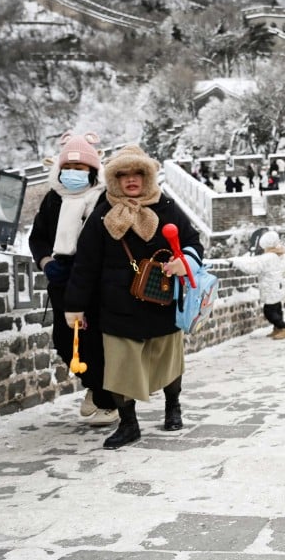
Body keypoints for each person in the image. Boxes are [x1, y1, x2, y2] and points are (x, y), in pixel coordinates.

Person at [64, 145, 204, 450]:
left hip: (161, 300)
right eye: (123, 174)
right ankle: (129, 424)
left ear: (148, 175)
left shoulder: (166, 206)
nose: (131, 180)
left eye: (137, 173)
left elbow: (193, 243)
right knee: (120, 366)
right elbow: (85, 263)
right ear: (114, 179)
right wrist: (74, 305)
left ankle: (173, 406)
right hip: (117, 306)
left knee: (169, 360)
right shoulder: (102, 214)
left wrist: (186, 261)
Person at [28, 131, 117, 426]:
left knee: (96, 340)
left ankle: (108, 401)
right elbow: (38, 237)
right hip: (61, 279)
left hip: (96, 280)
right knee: (65, 341)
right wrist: (46, 262)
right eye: (68, 168)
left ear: (92, 171)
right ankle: (96, 386)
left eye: (80, 169)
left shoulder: (104, 198)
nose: (73, 174)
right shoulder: (54, 199)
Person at [233, 230, 285, 339]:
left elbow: (253, 267)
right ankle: (277, 328)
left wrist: (236, 262)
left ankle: (283, 328)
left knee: (268, 311)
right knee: (277, 308)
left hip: (269, 286)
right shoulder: (280, 255)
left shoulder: (268, 257)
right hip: (278, 285)